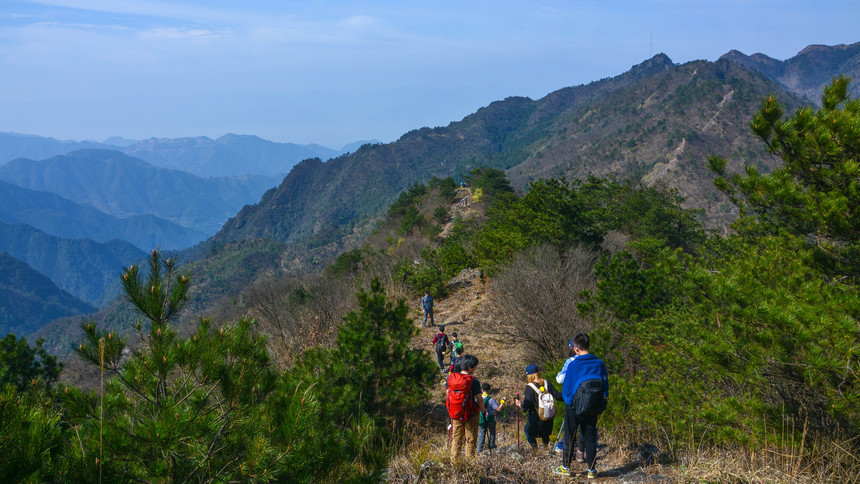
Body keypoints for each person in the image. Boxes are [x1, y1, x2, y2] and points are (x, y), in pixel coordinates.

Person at [554, 333, 609, 480]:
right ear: (588, 346)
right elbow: (605, 386)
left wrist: (568, 402)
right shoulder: (599, 363)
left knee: (570, 435)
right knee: (590, 436)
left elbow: (567, 387)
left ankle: (566, 467)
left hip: (574, 405)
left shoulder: (574, 364)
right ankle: (592, 470)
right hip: (593, 404)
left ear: (576, 349)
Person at [447, 354, 485, 463]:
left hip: (456, 413)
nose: (475, 368)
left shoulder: (452, 378)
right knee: (471, 439)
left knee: (456, 439)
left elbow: (448, 394)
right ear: (469, 367)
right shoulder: (473, 381)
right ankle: (470, 462)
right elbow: (479, 398)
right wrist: (483, 410)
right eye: (474, 367)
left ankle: (454, 462)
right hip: (470, 414)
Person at [515, 364, 562, 449]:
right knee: (545, 433)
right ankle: (546, 447)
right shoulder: (547, 383)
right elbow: (558, 396)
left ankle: (535, 450)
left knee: (528, 431)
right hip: (549, 415)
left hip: (537, 416)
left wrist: (519, 404)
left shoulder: (530, 387)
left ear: (529, 375)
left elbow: (526, 406)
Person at [555, 344, 585, 462]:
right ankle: (581, 452)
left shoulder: (570, 361)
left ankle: (566, 454)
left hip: (572, 398)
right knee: (584, 426)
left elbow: (560, 379)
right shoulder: (590, 360)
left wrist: (558, 374)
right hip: (586, 397)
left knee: (570, 427)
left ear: (574, 348)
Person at [477, 382, 505, 453]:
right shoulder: (491, 399)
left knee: (481, 435)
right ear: (489, 390)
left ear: (481, 389)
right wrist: (502, 402)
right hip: (490, 419)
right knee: (492, 432)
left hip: (481, 419)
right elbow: (498, 409)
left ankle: (479, 450)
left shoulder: (477, 399)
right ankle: (492, 446)